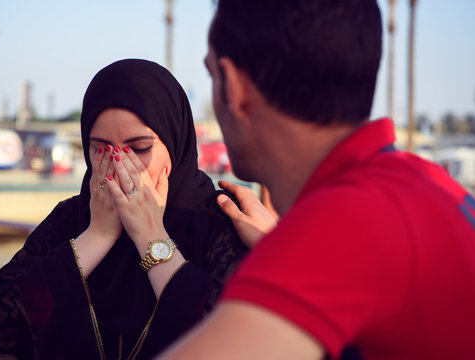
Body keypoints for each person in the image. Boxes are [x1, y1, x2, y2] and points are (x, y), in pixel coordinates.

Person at [158, 0, 475, 359]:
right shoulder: (422, 182)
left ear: (233, 88)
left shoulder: (344, 222)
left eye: (211, 75)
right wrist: (279, 245)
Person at [0, 59, 250, 360]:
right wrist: (97, 236)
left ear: (175, 143)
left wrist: (151, 236)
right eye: (101, 150)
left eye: (140, 148)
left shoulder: (218, 223)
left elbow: (239, 339)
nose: (120, 165)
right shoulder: (71, 219)